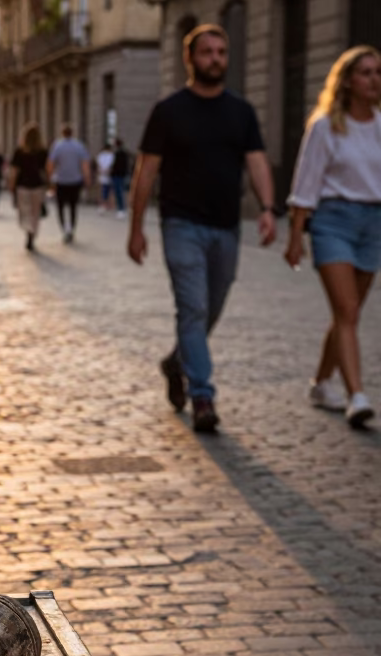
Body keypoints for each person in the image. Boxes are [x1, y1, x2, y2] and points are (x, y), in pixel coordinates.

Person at [130, 23, 277, 433]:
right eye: (207, 52)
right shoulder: (169, 110)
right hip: (181, 224)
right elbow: (146, 171)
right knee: (192, 308)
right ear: (190, 60)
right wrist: (136, 227)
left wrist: (267, 208)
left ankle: (176, 362)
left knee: (211, 309)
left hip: (227, 227)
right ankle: (202, 395)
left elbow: (258, 161)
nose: (215, 59)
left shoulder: (241, 112)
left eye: (221, 52)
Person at [285, 45, 381, 428]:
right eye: (365, 73)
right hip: (333, 221)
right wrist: (295, 236)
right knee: (348, 311)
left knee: (347, 312)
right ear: (347, 82)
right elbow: (305, 184)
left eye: (377, 72)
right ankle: (356, 395)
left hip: (373, 223)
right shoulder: (326, 126)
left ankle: (322, 382)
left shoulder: (380, 125)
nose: (374, 79)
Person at [47, 122, 91, 243]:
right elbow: (85, 165)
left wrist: (50, 179)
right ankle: (71, 228)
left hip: (61, 180)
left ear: (62, 133)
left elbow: (50, 164)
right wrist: (87, 179)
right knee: (73, 206)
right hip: (75, 180)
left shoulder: (57, 146)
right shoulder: (79, 146)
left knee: (60, 206)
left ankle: (64, 228)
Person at [8, 124, 49, 252]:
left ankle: (28, 231)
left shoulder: (19, 152)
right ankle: (32, 234)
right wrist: (49, 184)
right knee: (35, 213)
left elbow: (14, 171)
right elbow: (45, 171)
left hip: (23, 185)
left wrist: (12, 185)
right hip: (37, 185)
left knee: (24, 211)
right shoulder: (42, 152)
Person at [110, 138, 130, 219]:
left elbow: (116, 165)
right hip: (122, 175)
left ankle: (121, 209)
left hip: (118, 175)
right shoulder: (124, 153)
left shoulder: (118, 154)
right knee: (121, 192)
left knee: (119, 193)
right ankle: (122, 208)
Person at [96, 141, 115, 214]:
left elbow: (99, 165)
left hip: (105, 174)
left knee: (106, 190)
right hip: (106, 174)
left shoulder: (102, 155)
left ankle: (107, 205)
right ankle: (106, 205)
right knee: (106, 191)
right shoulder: (110, 155)